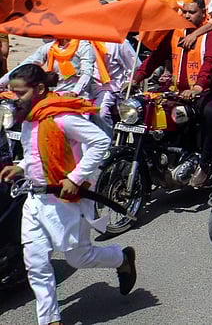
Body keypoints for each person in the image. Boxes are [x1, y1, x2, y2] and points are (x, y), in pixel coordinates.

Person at [0, 65, 138, 325]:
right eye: (12, 93)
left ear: (40, 89)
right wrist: (20, 167)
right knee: (36, 264)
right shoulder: (29, 118)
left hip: (64, 202)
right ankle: (50, 319)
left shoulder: (62, 117)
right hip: (34, 200)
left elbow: (100, 141)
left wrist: (75, 178)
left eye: (20, 93)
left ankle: (122, 257)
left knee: (79, 257)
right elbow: (36, 155)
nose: (15, 98)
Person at [132, 0, 212, 185]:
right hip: (178, 90)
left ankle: (206, 163)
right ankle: (153, 159)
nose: (187, 16)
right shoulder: (176, 32)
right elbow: (157, 56)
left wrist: (198, 87)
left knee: (210, 112)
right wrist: (136, 78)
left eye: (192, 12)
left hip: (206, 91)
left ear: (203, 13)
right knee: (143, 110)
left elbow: (210, 61)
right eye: (184, 12)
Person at [0, 39, 96, 98]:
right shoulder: (49, 47)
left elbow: (87, 73)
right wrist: (2, 83)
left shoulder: (84, 47)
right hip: (53, 94)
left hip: (79, 96)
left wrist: (75, 92)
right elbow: (26, 65)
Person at [90, 40, 137, 135]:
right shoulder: (82, 42)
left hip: (110, 88)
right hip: (86, 88)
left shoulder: (119, 42)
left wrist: (129, 83)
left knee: (100, 113)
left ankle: (106, 140)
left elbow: (135, 67)